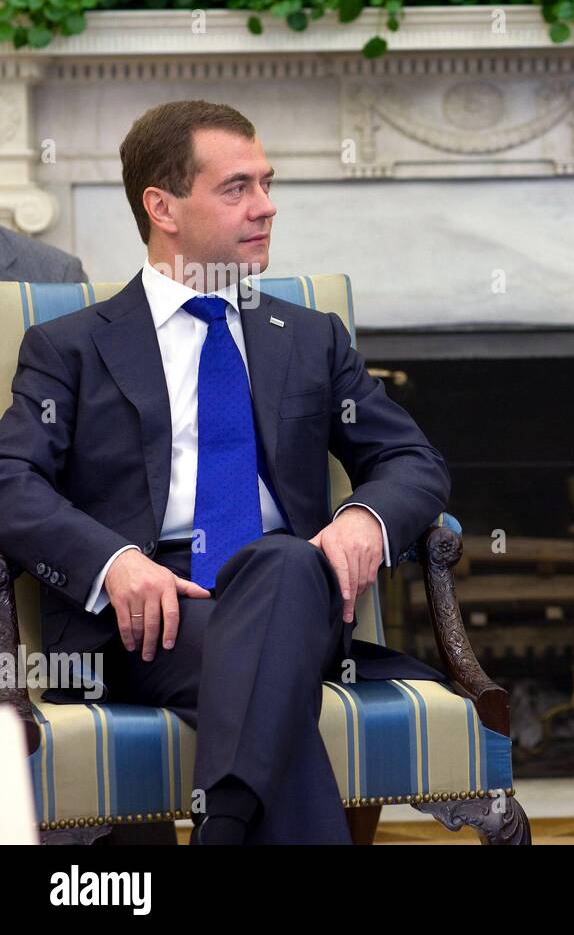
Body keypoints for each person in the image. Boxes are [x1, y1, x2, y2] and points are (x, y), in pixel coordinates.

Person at [0, 100, 449, 844]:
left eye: (267, 185)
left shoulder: (310, 339)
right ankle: (232, 821)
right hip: (149, 618)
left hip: (293, 591)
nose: (266, 207)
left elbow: (410, 458)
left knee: (277, 563)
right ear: (162, 206)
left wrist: (363, 518)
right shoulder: (70, 348)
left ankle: (225, 822)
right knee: (274, 671)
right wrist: (113, 564)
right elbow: (10, 479)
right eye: (237, 188)